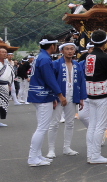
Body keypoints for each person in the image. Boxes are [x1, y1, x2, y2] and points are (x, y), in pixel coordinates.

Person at [27, 35, 67, 167]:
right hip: (43, 95)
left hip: (38, 94)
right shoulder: (45, 59)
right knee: (42, 128)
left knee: (41, 127)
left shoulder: (40, 57)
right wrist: (59, 95)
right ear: (52, 46)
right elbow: (50, 79)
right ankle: (32, 157)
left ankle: (37, 155)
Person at [84, 30, 107, 164]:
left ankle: (90, 154)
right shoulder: (104, 57)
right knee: (100, 126)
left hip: (90, 93)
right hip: (102, 94)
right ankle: (96, 155)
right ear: (105, 42)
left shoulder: (89, 56)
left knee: (92, 126)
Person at [47, 42, 87, 157]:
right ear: (62, 51)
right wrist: (54, 96)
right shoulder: (56, 64)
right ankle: (51, 149)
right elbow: (51, 81)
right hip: (59, 96)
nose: (70, 51)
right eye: (67, 49)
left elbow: (81, 81)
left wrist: (81, 97)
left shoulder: (77, 65)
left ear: (74, 51)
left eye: (72, 49)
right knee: (54, 123)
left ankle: (67, 147)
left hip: (73, 95)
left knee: (70, 122)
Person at [0, 48, 16, 127]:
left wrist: (10, 84)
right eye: (2, 52)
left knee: (2, 104)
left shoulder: (8, 64)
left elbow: (12, 74)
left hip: (5, 85)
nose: (4, 54)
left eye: (5, 52)